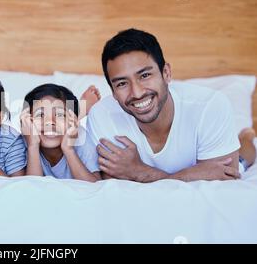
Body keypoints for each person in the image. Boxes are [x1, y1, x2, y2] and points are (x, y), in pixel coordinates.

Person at [78, 28, 242, 182]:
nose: (137, 93)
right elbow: (115, 188)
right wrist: (193, 175)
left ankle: (246, 138)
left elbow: (226, 182)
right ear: (113, 91)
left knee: (244, 159)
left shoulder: (210, 105)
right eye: (122, 84)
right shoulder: (102, 115)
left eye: (145, 75)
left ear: (166, 73)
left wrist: (138, 172)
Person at [21, 84, 101, 182]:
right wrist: (32, 146)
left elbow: (96, 187)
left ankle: (78, 112)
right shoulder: (25, 140)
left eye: (59, 114)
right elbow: (30, 188)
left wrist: (69, 149)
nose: (50, 121)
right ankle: (80, 110)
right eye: (41, 114)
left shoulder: (81, 139)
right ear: (28, 121)